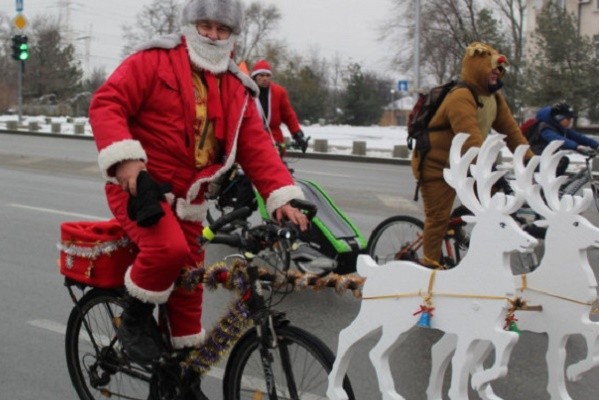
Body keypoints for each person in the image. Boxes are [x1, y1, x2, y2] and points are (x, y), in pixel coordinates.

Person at [88, 0, 308, 394]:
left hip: (190, 203)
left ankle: (179, 381)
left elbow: (257, 147)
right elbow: (108, 104)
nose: (212, 34)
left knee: (188, 295)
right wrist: (128, 166)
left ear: (232, 35)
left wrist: (281, 198)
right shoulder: (153, 60)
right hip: (141, 191)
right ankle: (135, 319)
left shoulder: (237, 88)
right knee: (167, 252)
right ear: (190, 24)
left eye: (222, 29)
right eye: (205, 24)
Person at [410, 42, 533, 269]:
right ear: (477, 70)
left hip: (465, 164)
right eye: (492, 69)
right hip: (436, 166)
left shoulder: (493, 99)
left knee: (495, 203)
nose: (497, 73)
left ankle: (459, 229)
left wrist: (530, 160)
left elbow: (512, 132)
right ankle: (429, 272)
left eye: (499, 70)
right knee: (437, 220)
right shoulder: (460, 96)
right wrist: (488, 169)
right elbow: (471, 138)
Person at [250, 59, 309, 153]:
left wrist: (298, 134)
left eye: (268, 75)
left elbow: (289, 115)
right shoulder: (247, 92)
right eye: (261, 75)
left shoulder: (279, 92)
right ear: (254, 77)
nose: (265, 78)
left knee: (279, 166)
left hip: (274, 139)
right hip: (252, 139)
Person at [528, 102, 599, 175]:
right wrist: (577, 146)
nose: (570, 121)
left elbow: (579, 137)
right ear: (559, 117)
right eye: (568, 118)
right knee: (562, 161)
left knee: (562, 160)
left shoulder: (559, 127)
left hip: (547, 157)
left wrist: (596, 145)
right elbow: (556, 139)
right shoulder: (544, 127)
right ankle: (548, 185)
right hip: (535, 158)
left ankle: (555, 185)